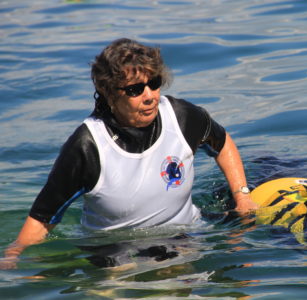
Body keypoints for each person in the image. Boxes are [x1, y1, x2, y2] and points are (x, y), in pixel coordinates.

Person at [1, 38, 258, 269]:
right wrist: (14, 256)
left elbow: (222, 143)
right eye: (135, 89)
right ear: (110, 93)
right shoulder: (87, 147)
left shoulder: (182, 117)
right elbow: (43, 218)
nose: (150, 96)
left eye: (154, 84)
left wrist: (242, 195)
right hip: (112, 252)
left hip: (186, 238)